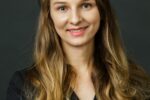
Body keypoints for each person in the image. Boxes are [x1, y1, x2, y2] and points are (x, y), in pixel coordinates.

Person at [6, 0, 150, 100]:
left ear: (102, 11)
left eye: (86, 5)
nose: (75, 19)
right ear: (49, 16)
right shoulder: (23, 86)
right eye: (62, 8)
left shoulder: (135, 82)